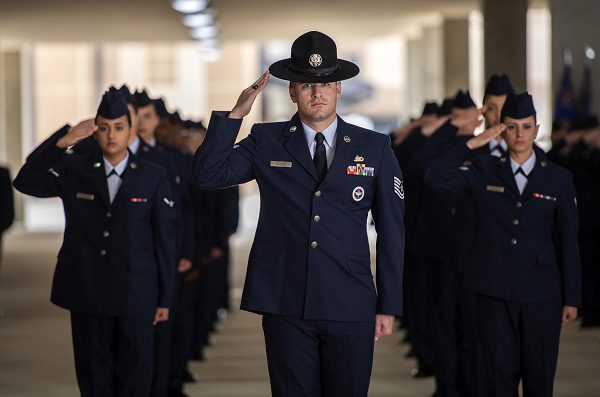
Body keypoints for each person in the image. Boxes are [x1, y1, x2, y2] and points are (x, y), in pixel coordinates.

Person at [190, 30, 405, 397]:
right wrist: (236, 115)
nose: (316, 92)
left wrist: (389, 304)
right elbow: (207, 175)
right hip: (285, 299)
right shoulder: (266, 139)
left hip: (349, 299)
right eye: (305, 84)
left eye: (325, 84)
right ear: (292, 91)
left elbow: (392, 230)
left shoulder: (375, 147)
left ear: (339, 88)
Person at [13, 89, 176, 396]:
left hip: (136, 293)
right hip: (88, 289)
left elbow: (164, 239)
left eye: (118, 127)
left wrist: (165, 297)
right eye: (103, 127)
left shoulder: (152, 175)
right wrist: (63, 141)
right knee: (93, 374)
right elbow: (25, 181)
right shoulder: (75, 170)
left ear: (130, 131)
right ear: (94, 131)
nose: (111, 135)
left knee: (136, 375)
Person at [425, 92, 581, 397]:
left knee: (539, 380)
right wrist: (472, 143)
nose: (519, 134)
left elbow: (568, 241)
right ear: (501, 129)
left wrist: (571, 297)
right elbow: (435, 178)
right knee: (497, 381)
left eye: (526, 126)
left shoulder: (558, 179)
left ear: (537, 129)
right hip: (493, 292)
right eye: (512, 127)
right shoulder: (483, 169)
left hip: (541, 295)